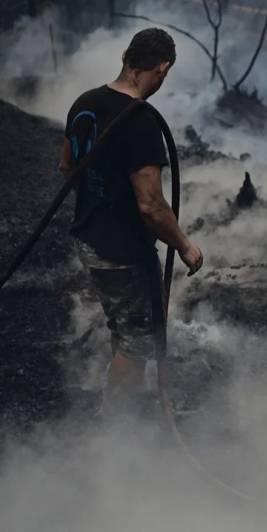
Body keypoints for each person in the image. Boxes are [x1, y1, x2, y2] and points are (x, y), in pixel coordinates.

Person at [58, 28, 203, 412]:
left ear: (126, 56)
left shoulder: (84, 103)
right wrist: (184, 246)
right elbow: (151, 205)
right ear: (162, 67)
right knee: (138, 340)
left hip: (90, 238)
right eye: (164, 74)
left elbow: (66, 165)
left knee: (124, 325)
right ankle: (119, 425)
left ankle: (124, 403)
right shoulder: (140, 122)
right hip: (122, 251)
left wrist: (99, 198)